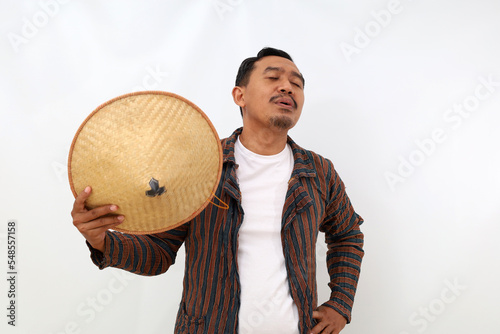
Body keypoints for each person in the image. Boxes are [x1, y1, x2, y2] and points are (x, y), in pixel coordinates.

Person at [72, 47, 364, 334]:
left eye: (297, 83)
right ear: (240, 95)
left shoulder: (318, 172)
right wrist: (102, 242)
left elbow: (347, 234)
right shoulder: (200, 167)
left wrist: (340, 304)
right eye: (273, 78)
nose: (287, 87)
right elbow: (158, 254)